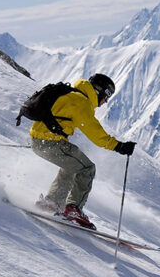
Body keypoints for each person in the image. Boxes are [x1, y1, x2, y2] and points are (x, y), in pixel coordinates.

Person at [29, 73, 135, 230]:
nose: (105, 102)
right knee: (87, 168)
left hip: (39, 140)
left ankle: (52, 202)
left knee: (72, 166)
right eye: (106, 96)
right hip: (50, 142)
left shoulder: (72, 94)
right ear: (99, 91)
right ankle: (74, 210)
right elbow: (95, 134)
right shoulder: (81, 102)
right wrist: (119, 146)